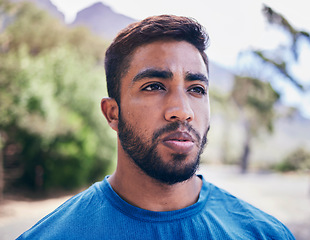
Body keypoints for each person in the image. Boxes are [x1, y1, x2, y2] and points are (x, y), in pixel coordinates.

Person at [17, 15, 295, 239]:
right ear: (113, 113)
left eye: (196, 89)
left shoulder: (265, 233)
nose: (183, 111)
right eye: (154, 86)